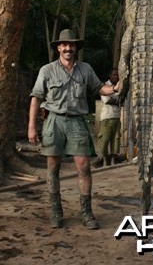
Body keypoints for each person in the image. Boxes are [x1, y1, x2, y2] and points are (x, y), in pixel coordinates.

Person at [28, 29, 119, 230]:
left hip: (77, 122)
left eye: (71, 45)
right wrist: (31, 127)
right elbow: (36, 98)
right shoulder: (47, 70)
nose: (68, 48)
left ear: (76, 48)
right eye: (64, 45)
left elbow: (99, 89)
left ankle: (86, 213)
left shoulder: (85, 69)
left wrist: (115, 87)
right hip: (53, 121)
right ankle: (56, 212)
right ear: (58, 47)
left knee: (84, 166)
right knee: (53, 169)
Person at [95, 67, 121, 167]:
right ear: (109, 75)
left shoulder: (119, 86)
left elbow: (119, 100)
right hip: (107, 117)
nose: (116, 76)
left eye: (117, 75)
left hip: (116, 117)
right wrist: (118, 100)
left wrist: (116, 100)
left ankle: (114, 160)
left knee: (116, 139)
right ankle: (103, 160)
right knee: (104, 139)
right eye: (114, 74)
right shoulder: (105, 86)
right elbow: (108, 100)